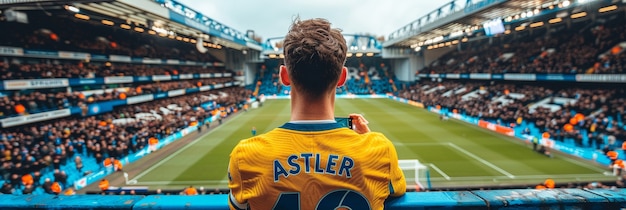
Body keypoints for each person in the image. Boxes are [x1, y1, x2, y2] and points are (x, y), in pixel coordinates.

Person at [227, 18, 406, 210]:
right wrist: (369, 142)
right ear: (342, 77)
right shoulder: (380, 151)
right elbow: (397, 190)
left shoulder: (245, 155)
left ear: (284, 76)